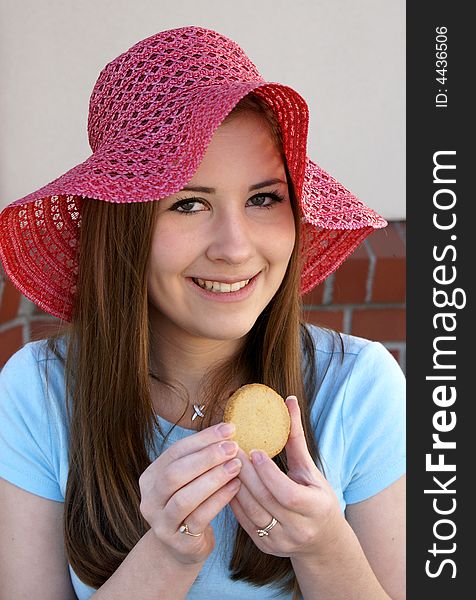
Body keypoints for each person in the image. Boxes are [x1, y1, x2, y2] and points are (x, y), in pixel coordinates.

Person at [0, 26, 405, 600]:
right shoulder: (37, 394)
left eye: (264, 198)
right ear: (126, 229)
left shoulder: (361, 388)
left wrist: (323, 547)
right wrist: (166, 555)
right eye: (189, 203)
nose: (235, 247)